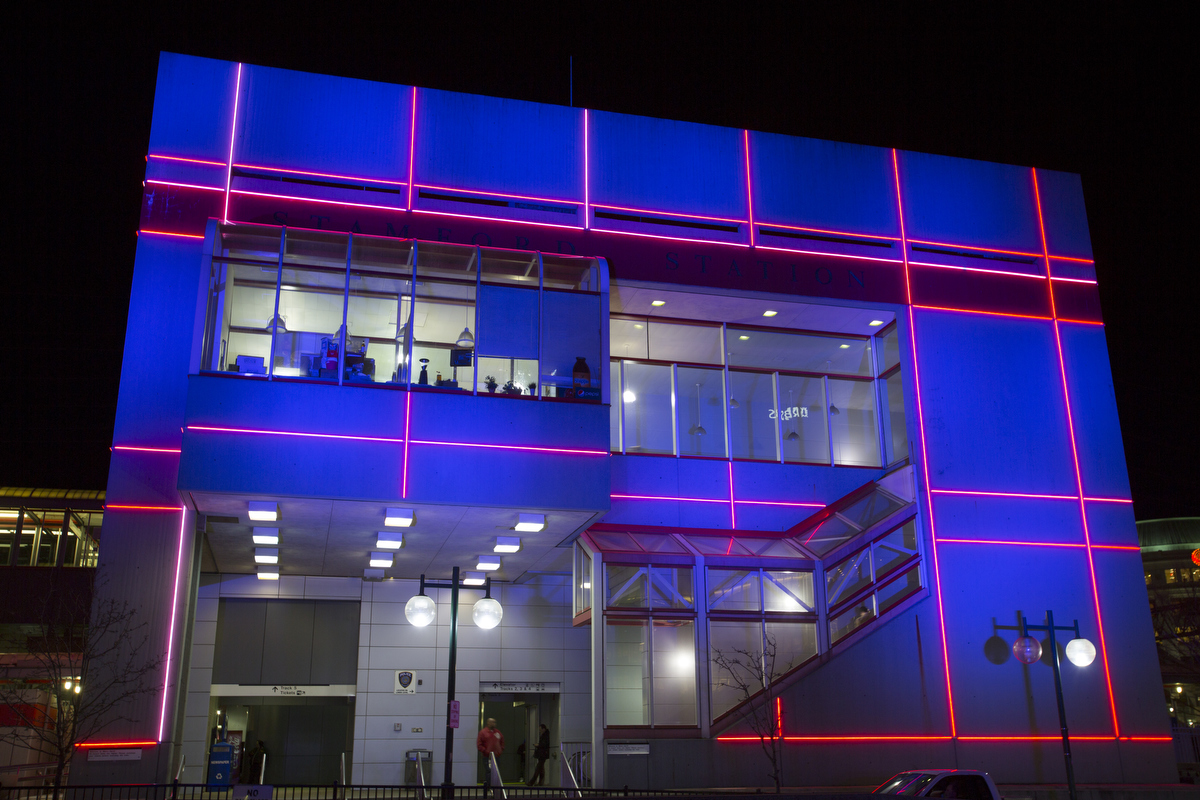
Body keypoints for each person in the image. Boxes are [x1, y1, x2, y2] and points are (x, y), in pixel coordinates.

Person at [476, 718, 504, 795]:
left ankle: (494, 786)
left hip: (496, 756)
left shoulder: (497, 732)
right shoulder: (483, 733)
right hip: (487, 756)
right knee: (489, 771)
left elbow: (502, 741)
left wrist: (500, 750)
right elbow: (479, 744)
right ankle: (488, 786)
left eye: (495, 722)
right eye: (493, 722)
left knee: (496, 771)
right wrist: (486, 751)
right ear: (488, 723)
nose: (494, 723)